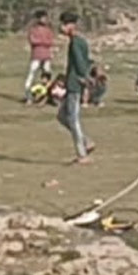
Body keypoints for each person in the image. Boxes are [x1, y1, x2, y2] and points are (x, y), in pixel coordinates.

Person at [57, 11, 94, 164]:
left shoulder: (76, 43)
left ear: (71, 25)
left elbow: (80, 62)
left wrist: (83, 77)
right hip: (72, 82)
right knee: (62, 116)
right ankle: (86, 141)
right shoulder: (80, 41)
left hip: (75, 83)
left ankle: (82, 153)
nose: (61, 28)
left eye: (64, 24)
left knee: (73, 119)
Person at [24, 10, 54, 103]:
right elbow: (33, 41)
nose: (45, 20)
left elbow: (50, 42)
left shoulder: (48, 30)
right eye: (43, 18)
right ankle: (29, 96)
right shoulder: (33, 30)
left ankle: (47, 96)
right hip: (36, 55)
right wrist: (43, 42)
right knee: (31, 74)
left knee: (47, 76)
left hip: (46, 56)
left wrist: (41, 41)